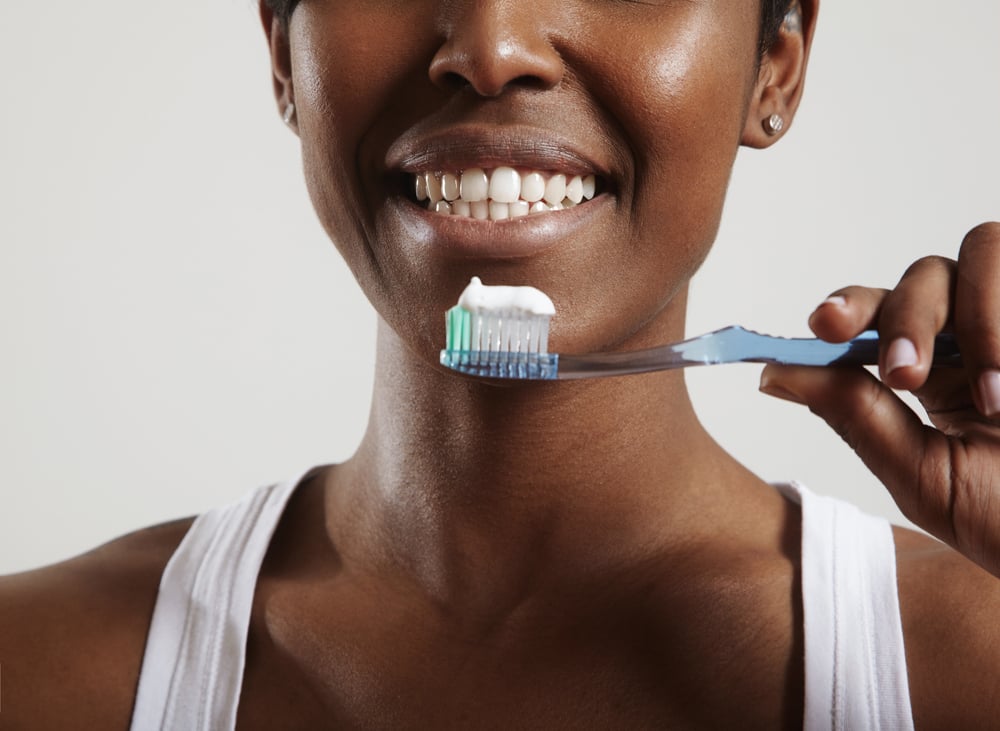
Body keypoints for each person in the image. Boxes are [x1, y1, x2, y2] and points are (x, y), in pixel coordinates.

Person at [2, 0, 999, 727]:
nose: (491, 46)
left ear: (773, 65)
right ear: (282, 51)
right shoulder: (34, 673)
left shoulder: (969, 663)